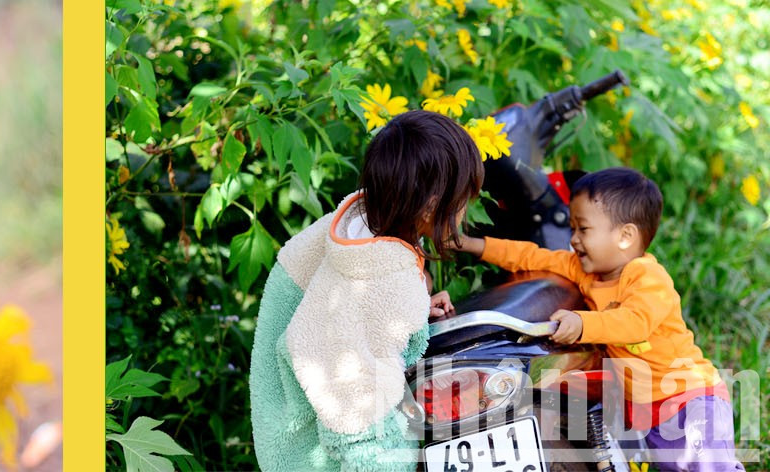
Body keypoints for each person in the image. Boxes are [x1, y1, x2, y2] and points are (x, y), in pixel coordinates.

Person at [449, 168, 745, 471]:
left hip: (690, 400)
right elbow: (530, 256)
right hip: (651, 410)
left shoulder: (647, 277)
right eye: (573, 228)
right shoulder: (583, 269)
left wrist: (582, 324)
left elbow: (635, 323)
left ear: (625, 237)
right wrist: (473, 244)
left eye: (583, 229)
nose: (573, 239)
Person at [250, 110, 482, 469]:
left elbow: (353, 319)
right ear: (433, 205)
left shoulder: (360, 229)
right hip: (322, 457)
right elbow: (354, 420)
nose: (466, 211)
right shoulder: (379, 278)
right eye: (463, 200)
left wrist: (416, 312)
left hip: (285, 423)